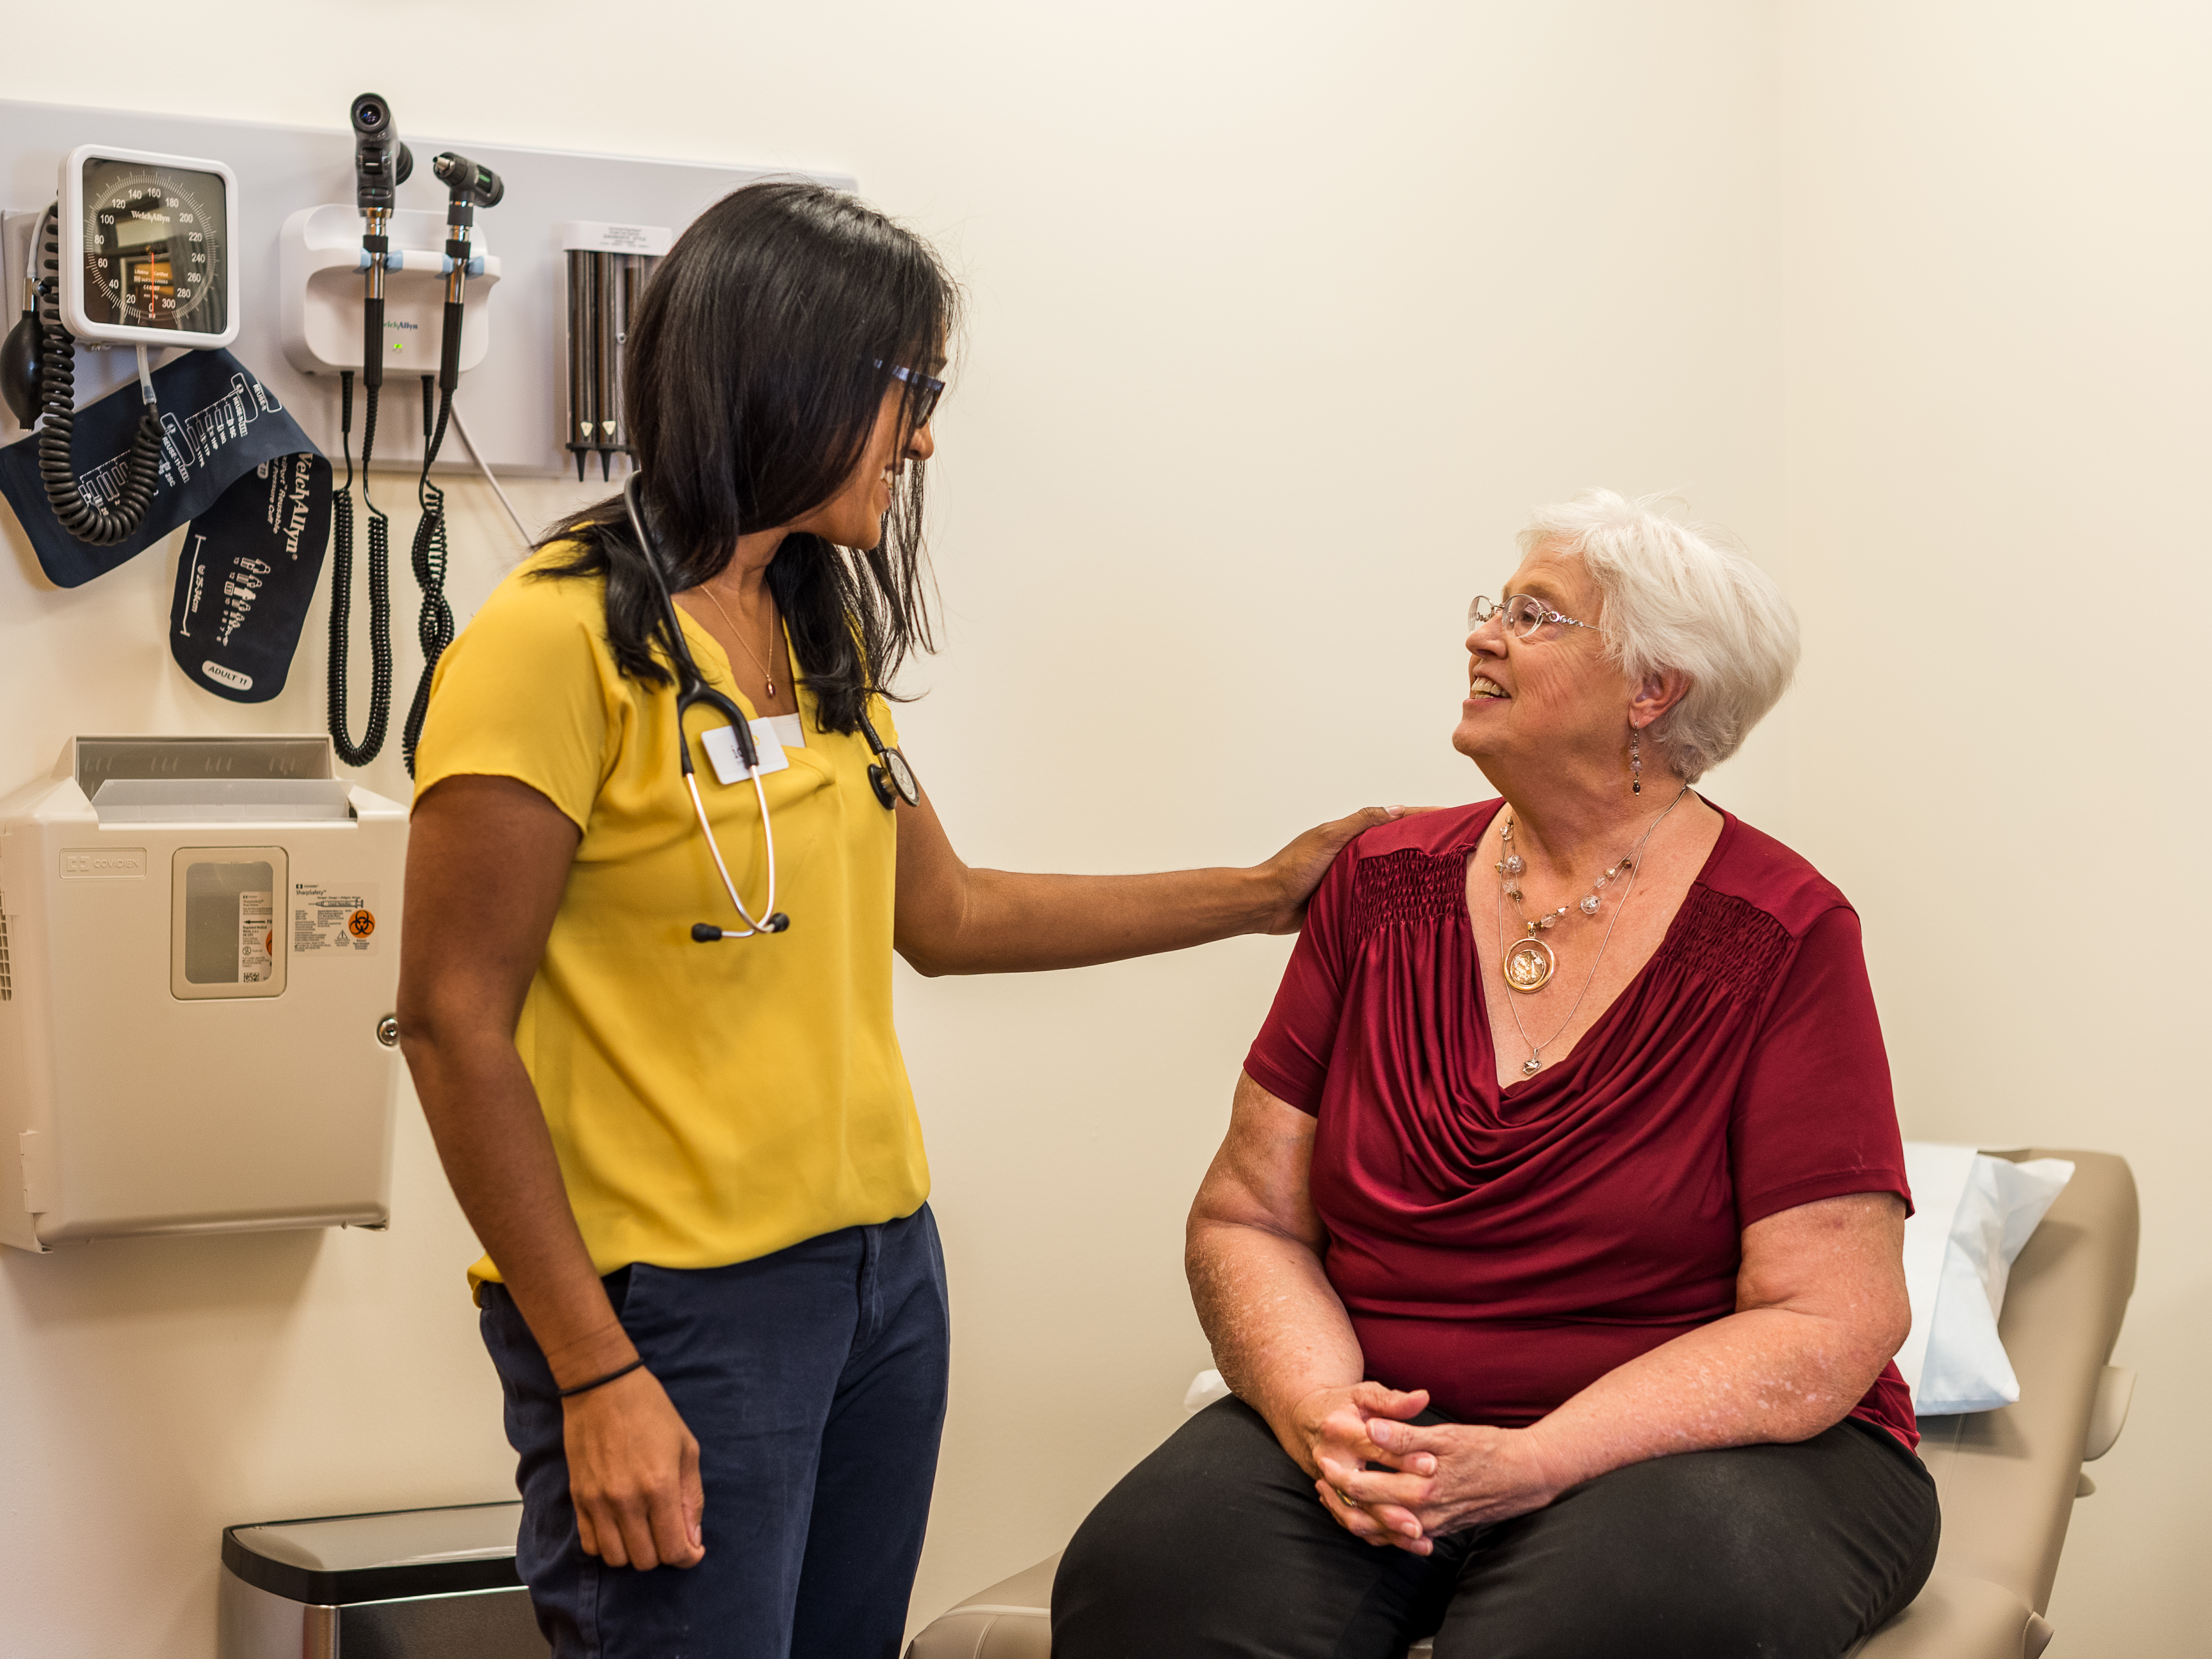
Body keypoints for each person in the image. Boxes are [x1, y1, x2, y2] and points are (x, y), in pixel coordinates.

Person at [395, 182, 1399, 1659]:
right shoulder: (548, 644)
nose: (921, 439)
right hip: (671, 1316)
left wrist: (1262, 894)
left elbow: (947, 910)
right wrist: (594, 1369)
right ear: (788, 374)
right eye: (904, 394)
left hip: (878, 1285)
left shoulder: (811, 623)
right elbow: (449, 1018)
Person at [1052, 490, 1939, 1659]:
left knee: (1596, 1628)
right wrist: (1323, 1413)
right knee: (1147, 1583)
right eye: (1496, 605)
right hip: (1392, 1410)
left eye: (1535, 613)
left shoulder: (1782, 932)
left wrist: (1536, 1458)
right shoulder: (1381, 886)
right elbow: (1250, 1217)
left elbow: (1832, 1313)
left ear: (1652, 689)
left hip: (1703, 1450)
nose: (1482, 633)